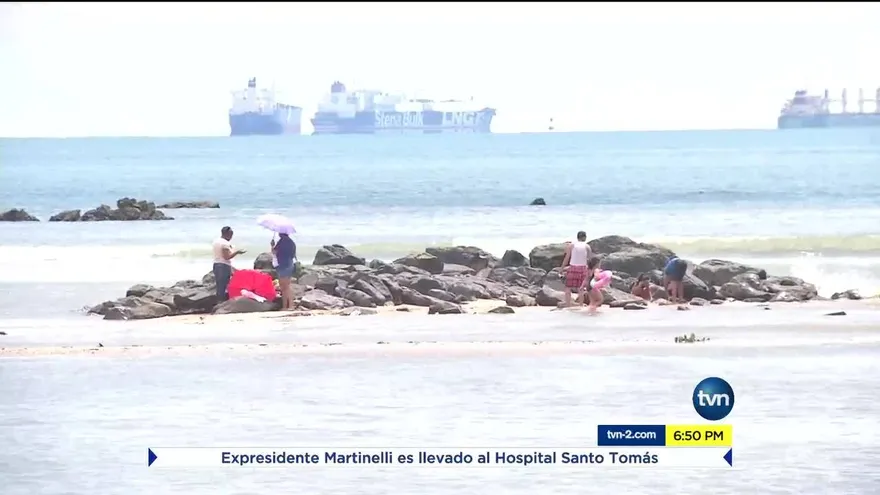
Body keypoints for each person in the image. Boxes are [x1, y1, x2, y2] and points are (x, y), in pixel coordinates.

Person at [212, 226, 246, 301]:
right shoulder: (224, 243)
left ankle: (220, 302)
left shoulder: (216, 241)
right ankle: (220, 303)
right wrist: (237, 252)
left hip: (216, 264)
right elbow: (226, 257)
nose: (231, 236)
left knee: (220, 286)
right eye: (230, 234)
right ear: (226, 234)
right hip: (223, 266)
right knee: (223, 287)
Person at [560, 231, 592, 307]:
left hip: (573, 267)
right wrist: (591, 270)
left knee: (568, 287)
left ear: (577, 237)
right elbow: (590, 260)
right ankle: (580, 305)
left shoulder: (572, 245)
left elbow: (567, 258)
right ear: (585, 237)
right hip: (583, 268)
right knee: (580, 289)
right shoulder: (587, 246)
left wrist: (562, 268)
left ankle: (568, 305)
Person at [270, 233, 297, 310]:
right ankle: (289, 305)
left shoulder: (282, 242)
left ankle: (287, 306)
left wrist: (272, 245)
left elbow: (274, 252)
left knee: (284, 287)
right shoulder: (291, 242)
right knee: (287, 286)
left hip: (283, 265)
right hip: (289, 264)